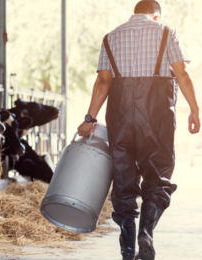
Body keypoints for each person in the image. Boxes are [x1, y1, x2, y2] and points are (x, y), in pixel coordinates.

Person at [77, 1, 200, 259]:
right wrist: (195, 109)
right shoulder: (167, 32)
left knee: (123, 180)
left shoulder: (111, 37)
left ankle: (127, 248)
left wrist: (90, 118)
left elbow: (103, 82)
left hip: (120, 116)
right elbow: (182, 74)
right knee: (158, 175)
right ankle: (146, 232)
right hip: (156, 117)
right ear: (156, 16)